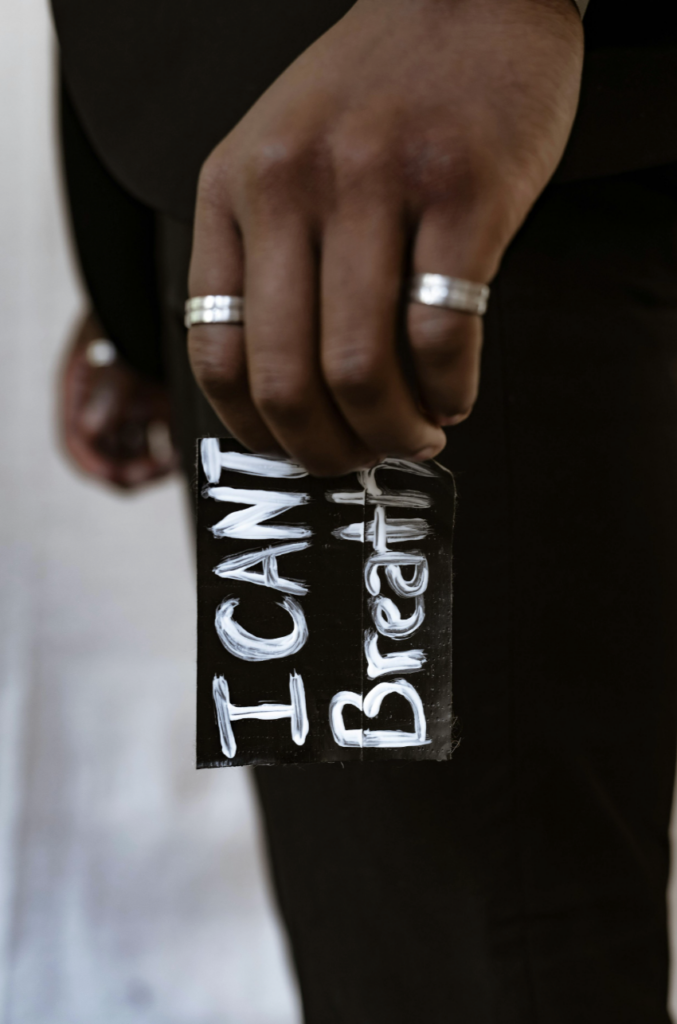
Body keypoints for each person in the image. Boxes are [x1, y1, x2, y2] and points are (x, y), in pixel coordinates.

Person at [54, 0, 677, 1019]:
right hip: (289, 210)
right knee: (387, 940)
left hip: (424, 175)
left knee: (462, 964)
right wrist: (133, 268)